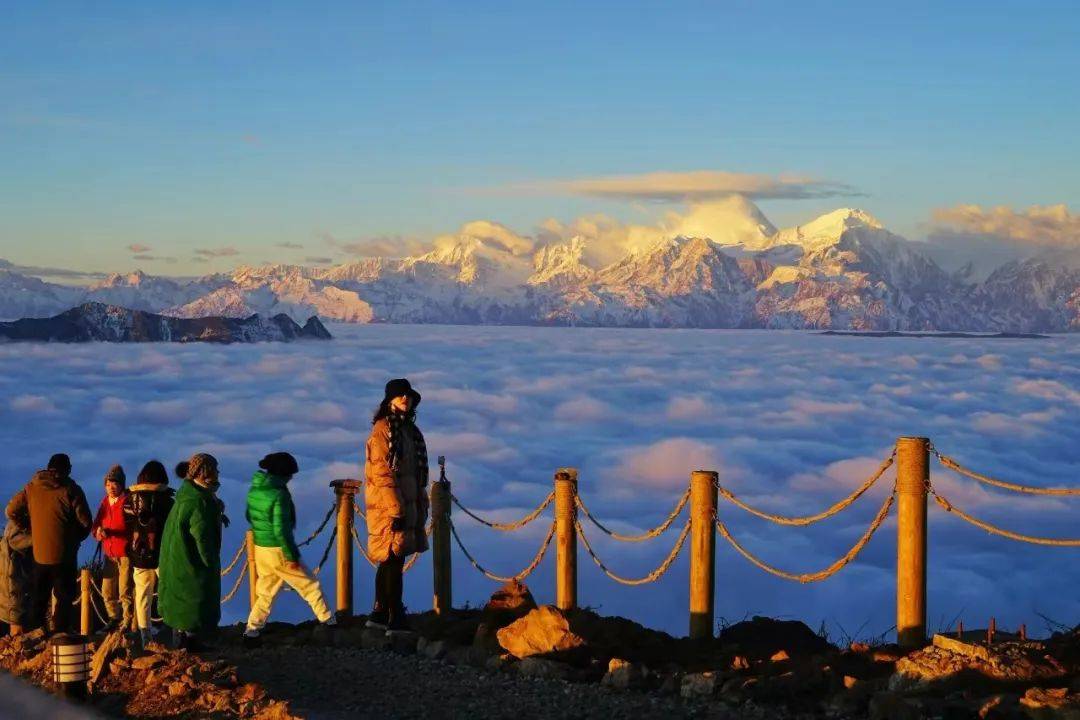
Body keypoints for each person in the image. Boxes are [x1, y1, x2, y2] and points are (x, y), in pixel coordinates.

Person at [243, 452, 335, 646]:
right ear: (283, 474)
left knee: (266, 592)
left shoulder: (255, 489)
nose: (292, 478)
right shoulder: (279, 494)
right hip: (278, 550)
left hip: (261, 548)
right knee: (309, 585)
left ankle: (252, 631)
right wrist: (291, 555)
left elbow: (249, 516)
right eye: (290, 474)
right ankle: (328, 621)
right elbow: (281, 530)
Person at [364, 378, 430, 633]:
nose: (405, 399)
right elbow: (382, 474)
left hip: (402, 504)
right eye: (399, 395)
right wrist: (396, 510)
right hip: (389, 507)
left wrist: (418, 503)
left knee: (391, 559)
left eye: (408, 395)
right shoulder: (384, 430)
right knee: (392, 559)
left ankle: (379, 614)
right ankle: (395, 617)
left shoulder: (407, 431)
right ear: (389, 400)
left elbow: (414, 474)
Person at [5, 454, 92, 634]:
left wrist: (29, 527)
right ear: (68, 469)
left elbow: (11, 510)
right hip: (65, 557)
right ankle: (60, 636)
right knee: (64, 597)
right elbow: (85, 522)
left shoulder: (32, 487)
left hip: (39, 555)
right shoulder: (71, 489)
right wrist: (74, 539)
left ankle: (36, 636)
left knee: (39, 598)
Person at [158, 453, 222, 650]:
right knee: (192, 604)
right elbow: (202, 537)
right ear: (206, 473)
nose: (218, 473)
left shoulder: (185, 497)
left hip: (176, 562)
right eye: (215, 469)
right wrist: (210, 562)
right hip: (190, 566)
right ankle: (189, 643)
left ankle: (183, 640)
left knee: (181, 606)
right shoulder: (198, 502)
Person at [124, 461, 174, 645]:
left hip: (139, 556)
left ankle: (145, 638)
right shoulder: (167, 501)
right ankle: (176, 634)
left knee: (142, 596)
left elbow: (127, 526)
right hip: (163, 555)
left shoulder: (129, 500)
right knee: (169, 593)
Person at [91, 465, 133, 631]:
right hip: (109, 553)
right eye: (108, 484)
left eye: (114, 484)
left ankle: (127, 622)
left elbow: (133, 528)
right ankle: (113, 619)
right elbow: (95, 525)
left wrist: (116, 532)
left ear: (122, 485)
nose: (111, 488)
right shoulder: (104, 503)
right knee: (107, 590)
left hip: (125, 553)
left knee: (125, 590)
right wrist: (98, 533)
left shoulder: (128, 502)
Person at [0, 519, 33, 635]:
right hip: (15, 606)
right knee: (18, 642)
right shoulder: (18, 536)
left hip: (9, 606)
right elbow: (13, 580)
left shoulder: (9, 535)